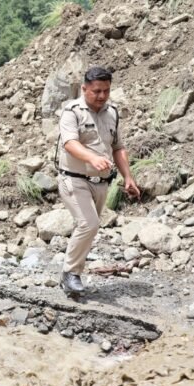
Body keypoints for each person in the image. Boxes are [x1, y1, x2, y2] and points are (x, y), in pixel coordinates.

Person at [57, 66, 140, 295]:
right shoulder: (72, 112)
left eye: (106, 91)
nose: (102, 96)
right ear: (84, 89)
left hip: (101, 183)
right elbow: (69, 143)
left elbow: (118, 147)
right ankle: (70, 274)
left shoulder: (112, 113)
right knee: (89, 224)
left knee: (88, 228)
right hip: (74, 179)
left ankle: (71, 273)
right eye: (96, 91)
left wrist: (128, 177)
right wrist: (92, 157)